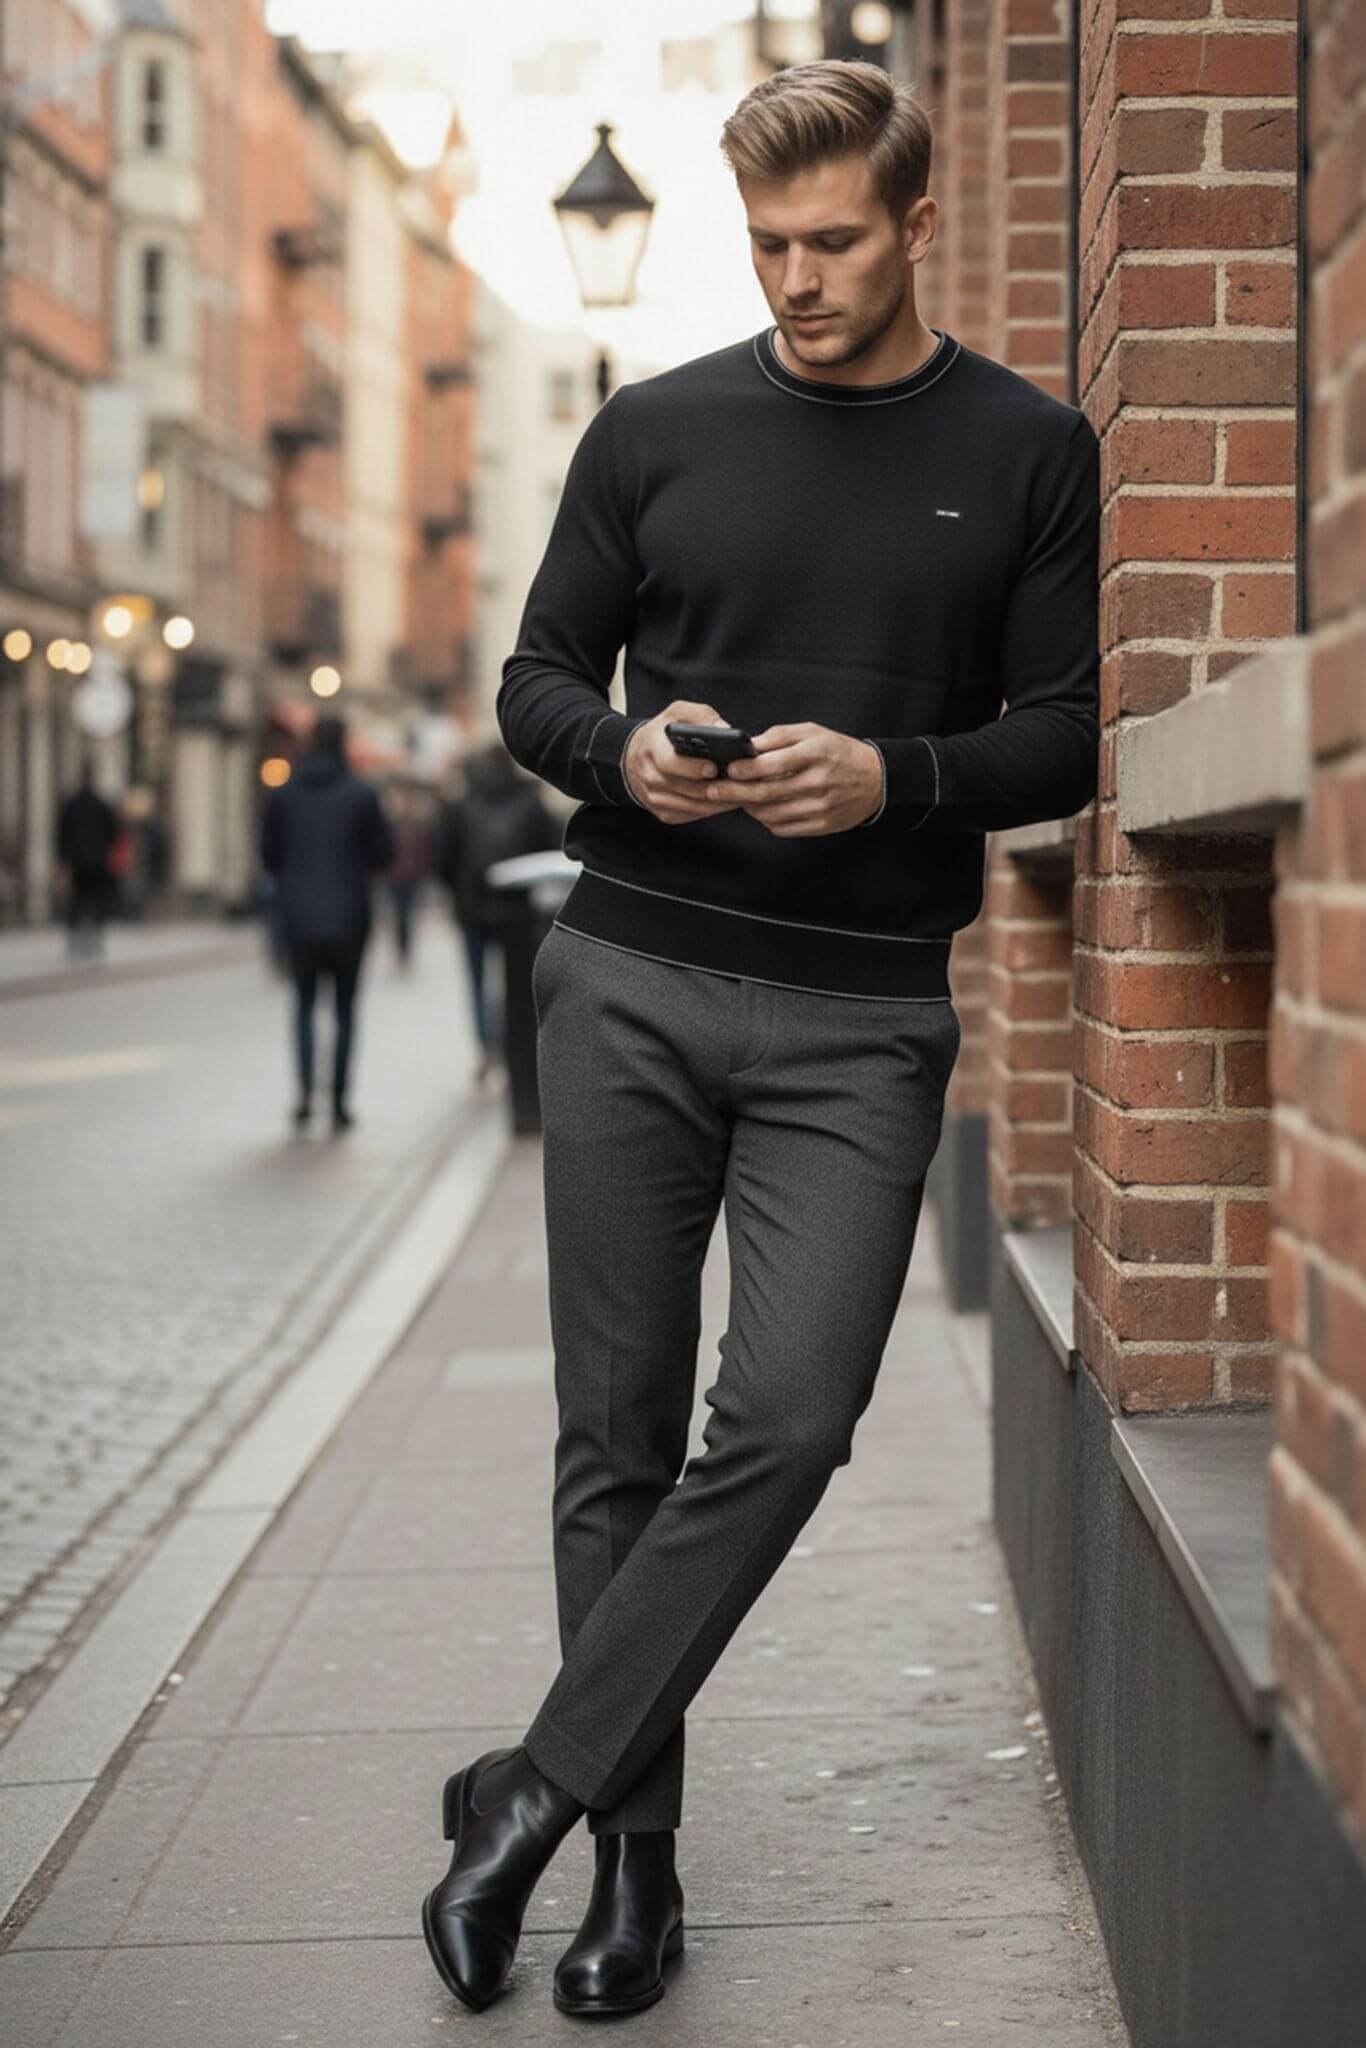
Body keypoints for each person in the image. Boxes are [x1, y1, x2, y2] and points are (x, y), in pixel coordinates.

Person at [420, 58, 1100, 2020]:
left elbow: (1058, 734)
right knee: (611, 1436)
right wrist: (619, 747)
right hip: (627, 973)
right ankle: (631, 1875)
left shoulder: (1027, 448)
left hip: (859, 1017)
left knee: (791, 1414)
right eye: (767, 246)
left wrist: (891, 775)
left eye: (829, 243)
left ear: (910, 227)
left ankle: (523, 1788)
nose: (795, 280)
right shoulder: (656, 430)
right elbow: (531, 680)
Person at [259, 714, 394, 1133]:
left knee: (302, 1005)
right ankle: (338, 1101)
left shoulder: (284, 796)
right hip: (350, 917)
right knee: (344, 1010)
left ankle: (303, 1094)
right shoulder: (362, 795)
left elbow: (268, 855)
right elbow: (383, 853)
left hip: (297, 918)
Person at [433, 740, 560, 1083]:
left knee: (477, 982)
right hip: (519, 911)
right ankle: (512, 1046)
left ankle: (488, 1048)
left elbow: (442, 858)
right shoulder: (530, 802)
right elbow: (553, 849)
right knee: (516, 983)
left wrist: (458, 892)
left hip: (472, 908)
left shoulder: (462, 805)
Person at [55, 763, 119, 958]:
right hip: (98, 860)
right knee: (97, 899)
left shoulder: (72, 804)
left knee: (77, 899)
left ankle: (74, 938)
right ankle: (96, 937)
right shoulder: (102, 804)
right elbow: (113, 833)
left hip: (77, 861)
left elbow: (62, 833)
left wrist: (63, 858)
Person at [385, 788, 433, 969]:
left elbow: (424, 852)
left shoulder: (417, 826)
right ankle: (401, 948)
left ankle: (405, 948)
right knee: (401, 915)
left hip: (411, 877)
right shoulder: (392, 825)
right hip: (396, 878)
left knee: (406, 915)